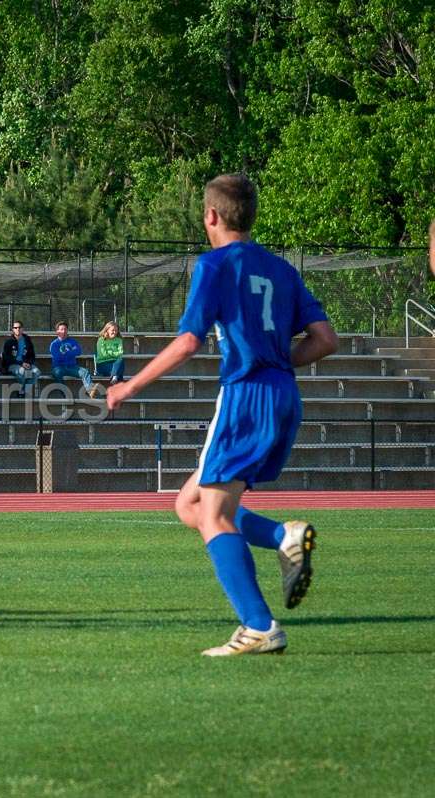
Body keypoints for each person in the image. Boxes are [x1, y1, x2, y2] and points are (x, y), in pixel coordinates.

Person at [107, 173, 338, 656]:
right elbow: (325, 340)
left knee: (212, 514)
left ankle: (259, 625)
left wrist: (129, 385)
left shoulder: (213, 266)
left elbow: (190, 341)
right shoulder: (281, 269)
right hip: (283, 396)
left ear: (210, 216)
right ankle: (282, 535)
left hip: (245, 395)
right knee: (188, 504)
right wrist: (277, 362)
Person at [49, 321, 99, 398]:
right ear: (57, 332)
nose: (64, 331)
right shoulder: (54, 344)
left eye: (65, 329)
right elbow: (57, 357)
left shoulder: (72, 341)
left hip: (72, 367)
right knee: (57, 373)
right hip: (59, 367)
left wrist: (65, 354)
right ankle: (64, 394)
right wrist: (71, 351)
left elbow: (78, 351)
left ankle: (90, 391)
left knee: (85, 372)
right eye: (61, 329)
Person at [0, 321, 39, 397]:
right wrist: (21, 364)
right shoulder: (9, 342)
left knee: (37, 372)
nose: (17, 329)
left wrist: (29, 363)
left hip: (26, 364)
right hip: (12, 365)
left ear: (22, 329)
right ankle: (21, 391)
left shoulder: (27, 341)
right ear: (13, 329)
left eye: (19, 327)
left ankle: (24, 390)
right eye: (15, 328)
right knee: (22, 371)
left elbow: (32, 355)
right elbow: (7, 358)